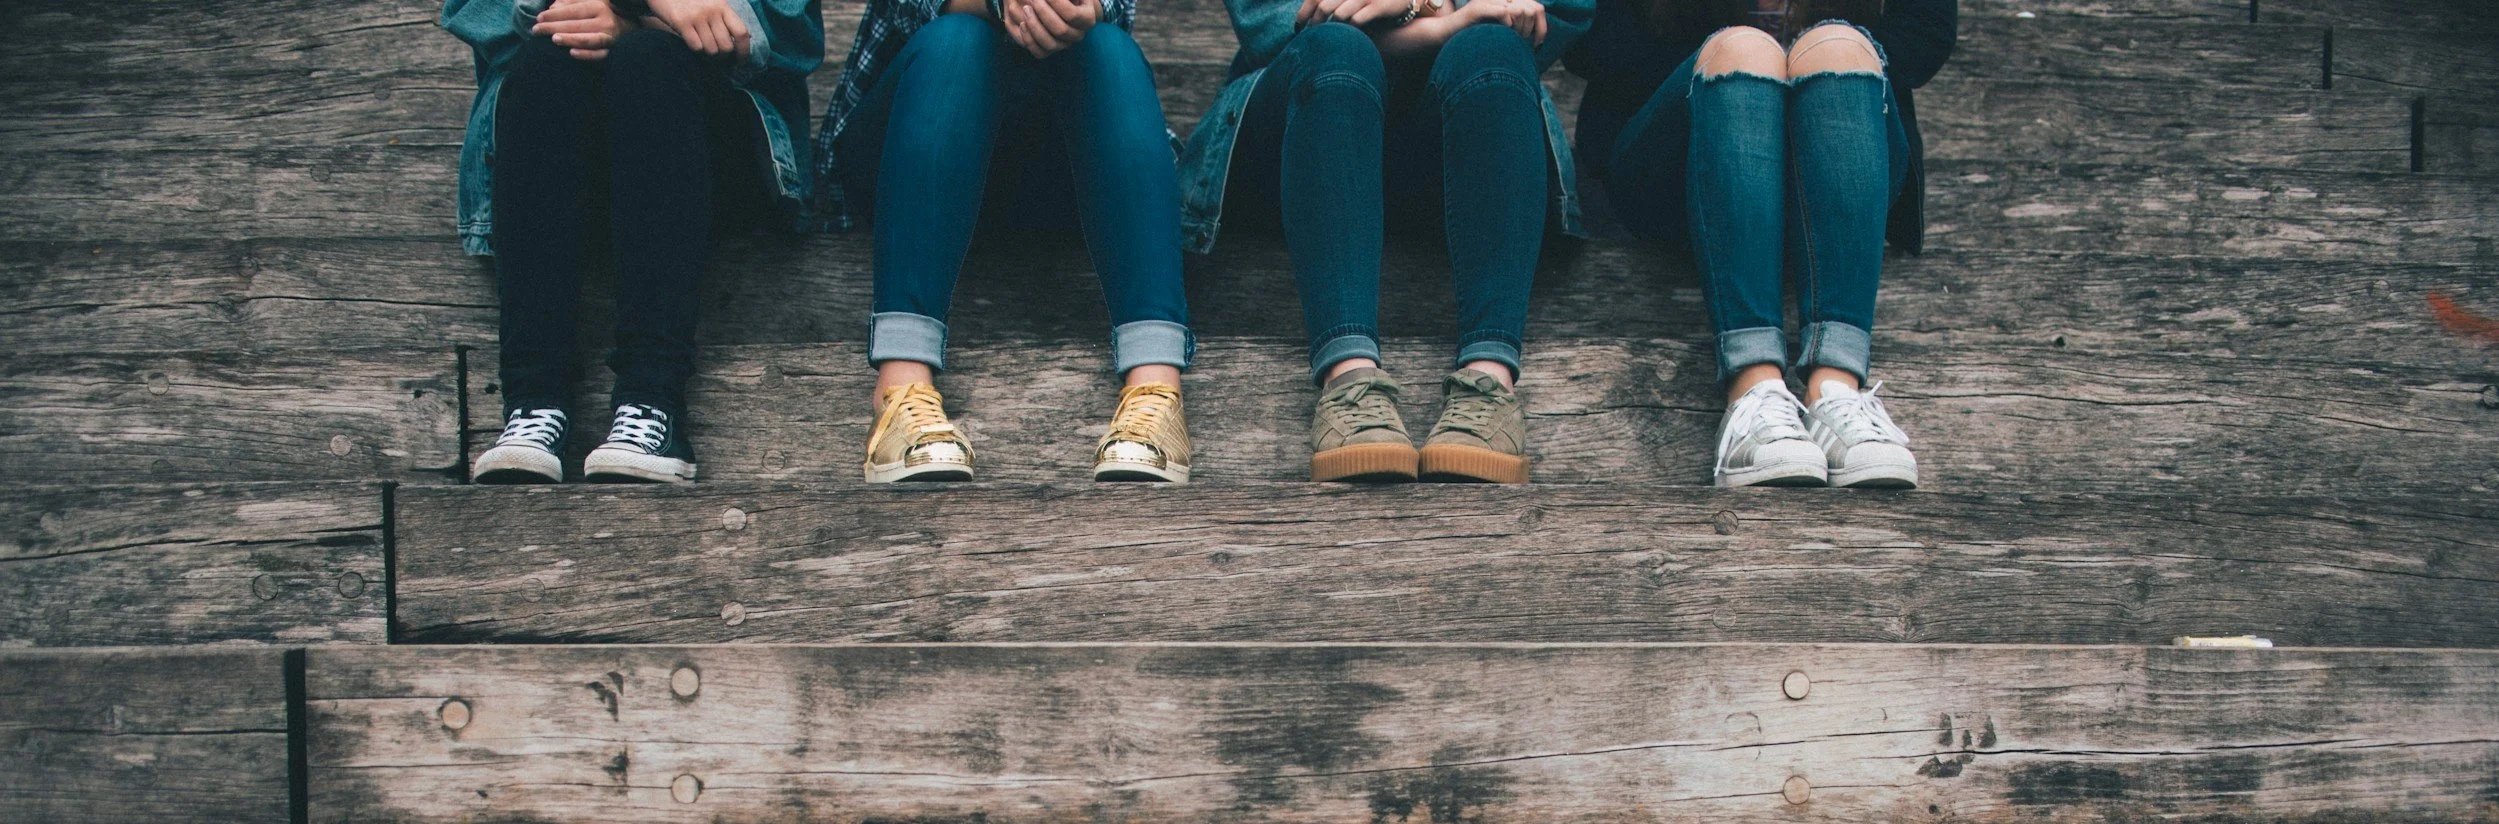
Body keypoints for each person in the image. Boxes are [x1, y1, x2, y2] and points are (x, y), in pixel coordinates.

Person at [1178, 0, 1593, 484]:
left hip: (1461, 125)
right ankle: (1348, 378)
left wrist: (1430, 8)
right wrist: (1443, 20)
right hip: (1308, 125)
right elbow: (1278, 23)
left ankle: (1489, 381)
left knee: (1493, 46)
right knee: (1335, 47)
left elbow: (1553, 15)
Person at [1568, 0, 1954, 487]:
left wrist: (1803, 74)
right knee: (1744, 49)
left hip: (1843, 137)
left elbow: (1926, 36)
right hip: (1684, 151)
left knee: (1837, 45)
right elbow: (1590, 44)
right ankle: (1753, 392)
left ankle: (1836, 391)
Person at [815, 0, 1195, 484]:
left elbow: (1115, 10)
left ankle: (1155, 390)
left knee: (1107, 45)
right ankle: (900, 389)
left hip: (1052, 162)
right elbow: (910, 10)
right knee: (958, 38)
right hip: (914, 142)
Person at [446, 0, 824, 484]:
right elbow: (476, 10)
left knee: (648, 58)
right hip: (558, 121)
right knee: (552, 55)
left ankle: (651, 401)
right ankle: (533, 403)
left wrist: (636, 22)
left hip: (702, 137)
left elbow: (792, 31)